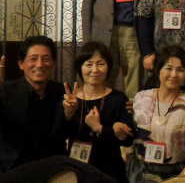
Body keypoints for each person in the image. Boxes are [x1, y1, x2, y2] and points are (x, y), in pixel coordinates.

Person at [0, 36, 66, 183]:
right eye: (33, 59)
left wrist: (70, 114)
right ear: (21, 64)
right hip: (7, 164)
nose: (40, 64)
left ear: (53, 63)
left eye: (46, 59)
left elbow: (64, 132)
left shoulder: (62, 92)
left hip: (48, 167)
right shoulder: (6, 90)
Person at [126, 46, 185, 182]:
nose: (174, 74)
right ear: (158, 70)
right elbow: (131, 138)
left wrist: (184, 175)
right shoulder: (141, 98)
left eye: (180, 70)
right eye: (168, 68)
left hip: (176, 176)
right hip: (140, 173)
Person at [56, 42, 134, 183]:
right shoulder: (69, 99)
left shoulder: (118, 99)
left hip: (110, 172)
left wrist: (100, 128)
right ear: (80, 67)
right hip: (76, 171)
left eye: (100, 64)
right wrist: (68, 114)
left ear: (108, 67)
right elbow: (57, 136)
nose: (95, 69)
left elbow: (128, 139)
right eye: (89, 64)